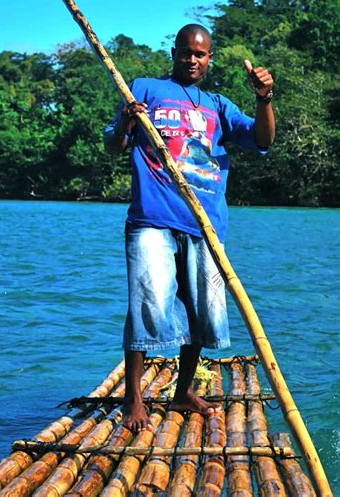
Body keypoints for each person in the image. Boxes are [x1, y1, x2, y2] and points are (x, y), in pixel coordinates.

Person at [104, 24, 275, 431]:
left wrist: (264, 98)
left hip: (204, 221)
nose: (192, 60)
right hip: (152, 218)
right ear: (175, 53)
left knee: (201, 309)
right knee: (147, 303)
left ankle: (182, 392)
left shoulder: (217, 104)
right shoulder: (144, 88)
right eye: (186, 53)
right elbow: (114, 144)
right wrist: (128, 124)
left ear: (209, 58)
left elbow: (262, 140)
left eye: (200, 54)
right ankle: (134, 399)